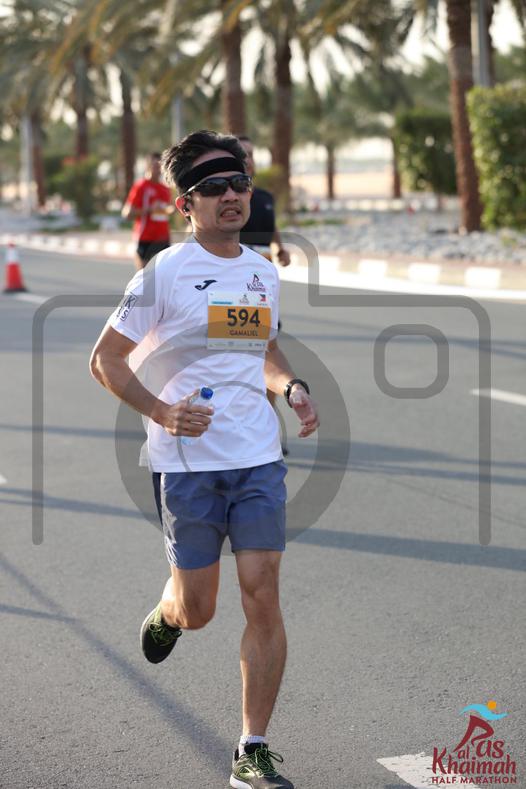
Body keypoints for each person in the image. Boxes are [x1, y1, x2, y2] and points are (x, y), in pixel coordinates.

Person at [90, 130, 320, 789]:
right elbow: (105, 360)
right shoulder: (163, 273)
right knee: (199, 608)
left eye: (239, 183)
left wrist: (291, 387)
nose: (231, 195)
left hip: (256, 457)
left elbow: (261, 349)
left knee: (263, 590)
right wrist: (162, 412)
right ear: (185, 204)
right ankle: (169, 612)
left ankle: (252, 747)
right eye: (213, 187)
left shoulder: (261, 272)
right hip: (186, 465)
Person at [238, 135, 290, 268]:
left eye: (250, 155)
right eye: (241, 155)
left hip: (263, 272)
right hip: (234, 271)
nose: (247, 161)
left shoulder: (266, 197)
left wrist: (280, 250)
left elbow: (271, 226)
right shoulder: (223, 199)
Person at [121, 152, 174, 270]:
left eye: (160, 167)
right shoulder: (140, 186)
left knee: (165, 275)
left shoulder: (165, 189)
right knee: (144, 276)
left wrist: (169, 210)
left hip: (163, 237)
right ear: (148, 166)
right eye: (155, 166)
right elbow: (127, 213)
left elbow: (169, 209)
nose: (158, 170)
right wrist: (149, 209)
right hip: (145, 237)